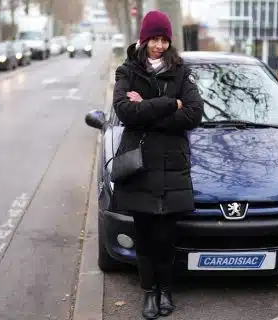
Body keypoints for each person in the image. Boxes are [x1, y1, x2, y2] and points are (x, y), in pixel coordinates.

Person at [111, 10, 203, 320]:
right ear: (144, 39)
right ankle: (149, 293)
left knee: (166, 238)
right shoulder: (127, 70)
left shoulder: (180, 71)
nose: (159, 46)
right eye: (154, 39)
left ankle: (166, 290)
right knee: (146, 237)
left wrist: (147, 111)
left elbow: (194, 114)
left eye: (164, 40)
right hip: (140, 167)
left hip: (173, 167)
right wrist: (169, 104)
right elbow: (124, 111)